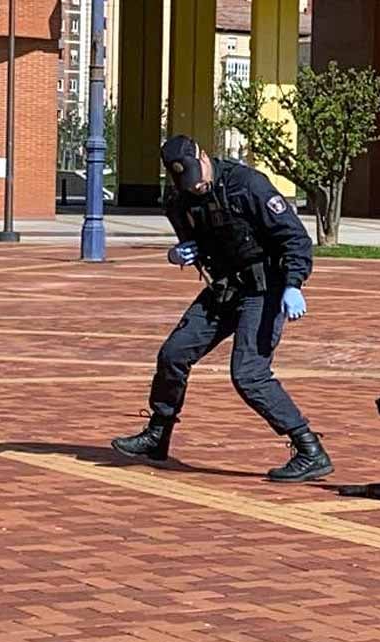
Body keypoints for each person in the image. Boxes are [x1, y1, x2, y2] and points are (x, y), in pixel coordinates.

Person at [110, 134, 333, 483]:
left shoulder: (248, 185)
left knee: (249, 373)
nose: (195, 188)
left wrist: (293, 285)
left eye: (197, 179)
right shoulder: (179, 198)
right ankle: (158, 434)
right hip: (225, 289)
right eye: (186, 184)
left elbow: (295, 239)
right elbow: (192, 239)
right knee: (173, 354)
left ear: (202, 156)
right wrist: (180, 252)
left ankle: (308, 449)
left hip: (266, 288)